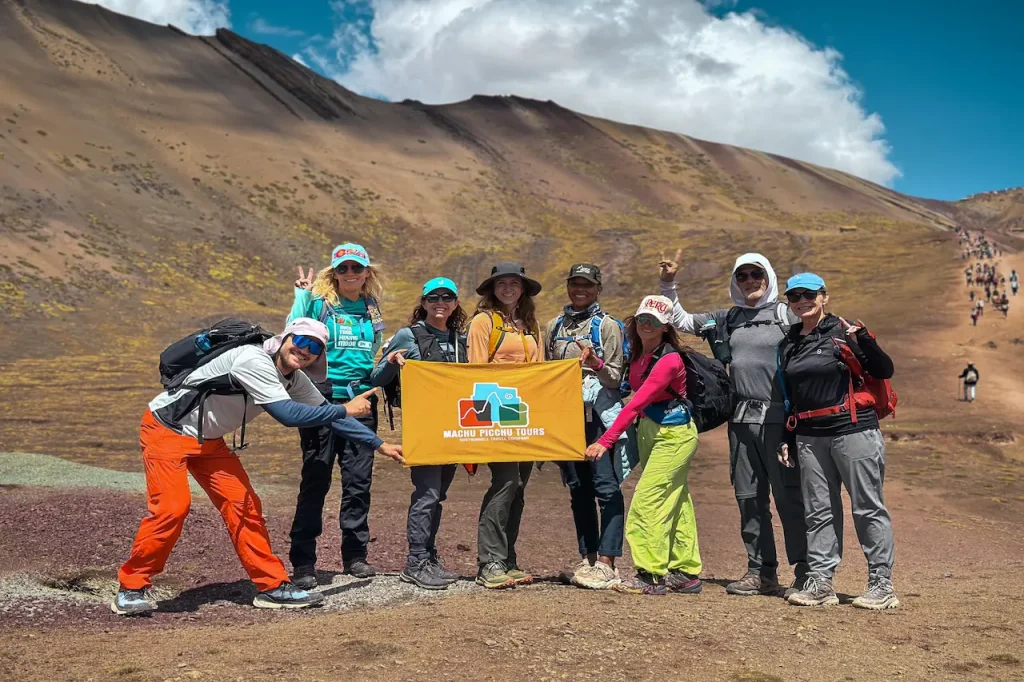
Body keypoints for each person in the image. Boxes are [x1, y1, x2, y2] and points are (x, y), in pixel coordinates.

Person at [112, 319, 403, 615]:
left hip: (209, 441)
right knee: (172, 508)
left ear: (319, 356)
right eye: (301, 341)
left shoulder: (294, 379)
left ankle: (272, 586)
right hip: (167, 429)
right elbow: (287, 414)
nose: (305, 351)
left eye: (314, 348)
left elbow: (332, 418)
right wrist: (344, 407)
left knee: (245, 505)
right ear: (285, 338)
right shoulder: (253, 359)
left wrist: (381, 445)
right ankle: (131, 587)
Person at [659, 250, 807, 597]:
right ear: (734, 281)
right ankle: (761, 571)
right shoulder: (726, 319)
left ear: (768, 277)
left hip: (779, 422)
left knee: (789, 497)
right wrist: (668, 283)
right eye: (743, 275)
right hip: (740, 421)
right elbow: (679, 319)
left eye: (756, 274)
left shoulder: (787, 316)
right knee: (749, 497)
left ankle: (804, 571)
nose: (750, 281)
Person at [777, 273, 899, 610]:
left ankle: (881, 583)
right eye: (794, 296)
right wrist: (788, 437)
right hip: (808, 435)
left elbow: (884, 369)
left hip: (854, 430)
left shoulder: (842, 332)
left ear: (824, 297)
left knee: (867, 507)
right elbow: (792, 397)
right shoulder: (788, 342)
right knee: (819, 511)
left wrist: (864, 341)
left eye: (809, 294)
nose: (802, 300)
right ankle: (820, 582)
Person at [586, 295, 702, 596]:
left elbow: (636, 403)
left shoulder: (670, 359)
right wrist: (597, 364)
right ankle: (685, 572)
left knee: (647, 502)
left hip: (674, 435)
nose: (646, 325)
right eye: (642, 319)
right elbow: (628, 387)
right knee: (676, 500)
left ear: (666, 327)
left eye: (654, 321)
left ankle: (650, 574)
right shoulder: (640, 356)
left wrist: (605, 440)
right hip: (651, 432)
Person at [288, 243, 387, 586]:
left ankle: (355, 557)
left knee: (359, 483)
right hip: (321, 397)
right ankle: (303, 563)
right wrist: (301, 295)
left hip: (361, 400)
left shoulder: (372, 308)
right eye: (343, 269)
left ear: (366, 273)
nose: (350, 274)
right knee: (316, 479)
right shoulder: (319, 303)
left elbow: (373, 349)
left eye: (356, 269)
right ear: (334, 273)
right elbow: (294, 332)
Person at [371, 277, 468, 590]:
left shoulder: (460, 339)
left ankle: (429, 557)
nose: (440, 303)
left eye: (447, 297)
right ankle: (415, 562)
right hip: (424, 426)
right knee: (426, 494)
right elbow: (377, 377)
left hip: (455, 426)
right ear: (423, 303)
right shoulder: (408, 335)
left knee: (438, 495)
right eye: (433, 297)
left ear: (455, 303)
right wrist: (392, 363)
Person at [544, 264, 626, 590]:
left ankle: (608, 563)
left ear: (598, 289)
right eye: (575, 284)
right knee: (578, 491)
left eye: (587, 285)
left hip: (599, 419)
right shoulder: (553, 327)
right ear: (567, 287)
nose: (581, 290)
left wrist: (596, 365)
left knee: (606, 488)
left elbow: (616, 377)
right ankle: (588, 558)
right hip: (566, 419)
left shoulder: (608, 326)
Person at [470, 262, 544, 589]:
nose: (509, 288)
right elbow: (475, 370)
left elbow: (540, 370)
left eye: (515, 282)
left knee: (518, 487)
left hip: (525, 413)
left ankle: (508, 558)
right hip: (496, 412)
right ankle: (490, 562)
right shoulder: (483, 322)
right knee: (505, 482)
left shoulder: (530, 324)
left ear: (523, 288)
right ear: (492, 288)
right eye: (502, 283)